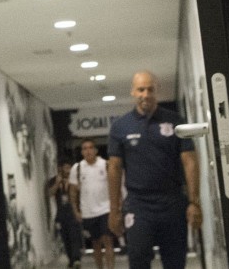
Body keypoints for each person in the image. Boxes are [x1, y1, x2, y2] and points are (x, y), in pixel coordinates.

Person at [107, 71, 202, 269]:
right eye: (141, 89)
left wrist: (194, 202)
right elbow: (114, 169)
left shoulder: (176, 121)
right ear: (133, 92)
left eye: (150, 89)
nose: (146, 94)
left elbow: (190, 161)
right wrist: (114, 210)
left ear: (157, 91)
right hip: (138, 206)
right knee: (139, 259)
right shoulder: (120, 127)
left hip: (173, 202)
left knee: (175, 261)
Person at [70, 139, 115, 269]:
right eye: (84, 148)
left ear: (96, 150)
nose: (88, 151)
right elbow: (72, 192)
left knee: (108, 241)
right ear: (82, 152)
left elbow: (114, 186)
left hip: (105, 209)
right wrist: (76, 210)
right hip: (88, 211)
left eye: (90, 148)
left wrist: (115, 206)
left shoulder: (105, 164)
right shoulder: (77, 168)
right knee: (95, 243)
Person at [48, 159, 83, 269]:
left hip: (73, 211)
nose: (68, 170)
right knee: (65, 237)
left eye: (69, 168)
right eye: (66, 168)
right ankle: (71, 259)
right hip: (61, 213)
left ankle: (76, 259)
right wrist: (57, 183)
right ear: (61, 168)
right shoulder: (54, 180)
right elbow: (50, 194)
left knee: (75, 236)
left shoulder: (75, 179)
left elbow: (82, 192)